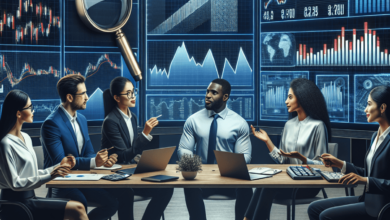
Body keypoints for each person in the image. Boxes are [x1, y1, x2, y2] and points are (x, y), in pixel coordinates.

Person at [41, 74, 132, 220]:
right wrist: (93, 162)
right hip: (63, 183)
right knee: (80, 203)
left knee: (115, 200)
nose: (87, 97)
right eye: (83, 93)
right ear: (70, 97)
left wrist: (101, 161)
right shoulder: (51, 124)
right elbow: (61, 162)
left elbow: (89, 152)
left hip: (83, 179)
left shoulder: (82, 119)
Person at [244, 78, 331, 220]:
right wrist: (268, 141)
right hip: (287, 180)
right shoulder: (289, 125)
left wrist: (302, 159)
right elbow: (283, 159)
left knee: (268, 186)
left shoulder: (318, 126)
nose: (286, 101)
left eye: (290, 97)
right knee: (264, 183)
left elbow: (324, 166)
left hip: (307, 183)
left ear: (303, 97)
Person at [0, 89, 88, 220]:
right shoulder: (5, 143)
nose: (33, 110)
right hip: (16, 205)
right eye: (30, 107)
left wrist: (59, 166)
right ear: (18, 113)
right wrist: (50, 175)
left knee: (78, 207)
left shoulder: (26, 137)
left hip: (30, 199)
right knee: (77, 209)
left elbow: (33, 174)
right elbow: (15, 184)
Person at [308, 85, 390, 220]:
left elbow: (369, 179)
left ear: (382, 108)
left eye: (369, 104)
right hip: (366, 200)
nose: (365, 109)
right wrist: (341, 164)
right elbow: (370, 174)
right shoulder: (375, 136)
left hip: (381, 208)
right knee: (314, 208)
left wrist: (365, 181)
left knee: (325, 216)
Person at [178, 78, 253, 220]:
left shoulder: (240, 123)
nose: (207, 95)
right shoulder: (193, 120)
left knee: (246, 186)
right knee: (189, 185)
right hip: (202, 177)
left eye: (213, 92)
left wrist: (227, 167)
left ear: (225, 97)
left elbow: (245, 156)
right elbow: (184, 149)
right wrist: (193, 165)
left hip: (230, 178)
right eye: (207, 91)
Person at [101, 76, 173, 220]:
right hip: (117, 175)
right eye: (128, 93)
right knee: (126, 193)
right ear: (116, 97)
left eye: (134, 91)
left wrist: (143, 160)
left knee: (167, 188)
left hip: (132, 171)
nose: (133, 96)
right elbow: (123, 155)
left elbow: (133, 150)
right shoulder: (111, 121)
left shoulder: (132, 117)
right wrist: (145, 134)